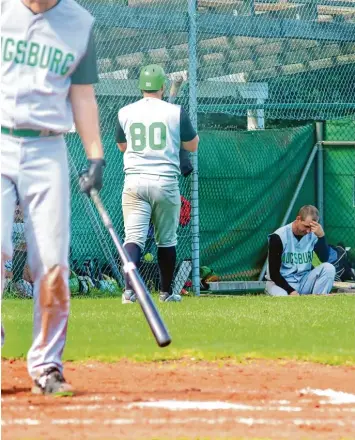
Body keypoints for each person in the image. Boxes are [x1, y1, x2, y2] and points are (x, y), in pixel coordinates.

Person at [1, 0, 105, 395]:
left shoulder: (79, 22)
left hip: (48, 149)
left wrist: (95, 155)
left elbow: (83, 96)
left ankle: (47, 366)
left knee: (53, 263)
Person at [116, 64, 199, 303]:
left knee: (133, 238)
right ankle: (165, 292)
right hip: (164, 180)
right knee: (167, 240)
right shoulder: (175, 111)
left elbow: (122, 147)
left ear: (141, 86)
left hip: (134, 180)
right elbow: (192, 145)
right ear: (163, 86)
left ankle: (129, 292)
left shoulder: (125, 112)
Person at [265, 205, 335, 296]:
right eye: (306, 226)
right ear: (298, 219)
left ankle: (319, 300)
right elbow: (274, 273)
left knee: (329, 268)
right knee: (283, 298)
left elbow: (324, 258)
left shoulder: (313, 234)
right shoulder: (279, 236)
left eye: (311, 227)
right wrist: (291, 291)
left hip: (303, 281)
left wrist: (321, 237)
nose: (308, 231)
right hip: (279, 284)